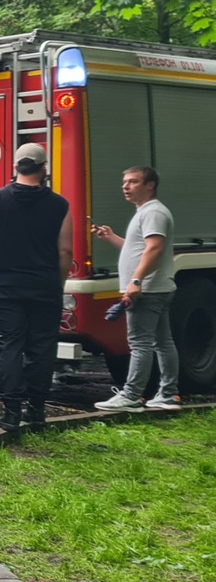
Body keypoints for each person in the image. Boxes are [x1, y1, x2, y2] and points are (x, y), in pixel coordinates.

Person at [0, 142, 73, 431]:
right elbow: (65, 252)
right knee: (42, 348)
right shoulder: (60, 205)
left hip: (5, 287)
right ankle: (36, 411)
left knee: (10, 345)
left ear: (16, 167)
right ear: (43, 168)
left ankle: (11, 412)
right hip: (45, 287)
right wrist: (57, 284)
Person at [92, 165, 180, 411]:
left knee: (140, 344)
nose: (125, 186)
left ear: (149, 185)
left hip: (148, 290)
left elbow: (154, 249)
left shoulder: (153, 212)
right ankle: (168, 394)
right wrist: (111, 237)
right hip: (158, 287)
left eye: (132, 182)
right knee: (163, 342)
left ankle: (131, 395)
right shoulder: (148, 212)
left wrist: (136, 280)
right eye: (125, 183)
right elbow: (139, 249)